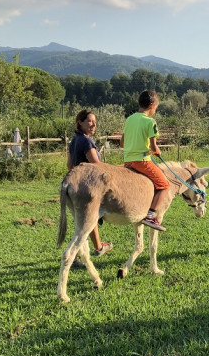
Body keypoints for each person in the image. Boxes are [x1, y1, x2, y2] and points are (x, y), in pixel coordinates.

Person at [67, 109, 113, 267]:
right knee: (84, 224)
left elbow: (69, 165)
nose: (94, 124)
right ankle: (72, 257)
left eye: (95, 122)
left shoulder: (74, 140)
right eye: (89, 121)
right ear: (79, 122)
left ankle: (98, 247)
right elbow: (96, 166)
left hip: (75, 186)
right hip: (88, 187)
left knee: (89, 219)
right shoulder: (87, 142)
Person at [121, 90, 170, 232]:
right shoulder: (150, 122)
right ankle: (150, 215)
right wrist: (157, 151)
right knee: (164, 185)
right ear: (153, 105)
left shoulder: (129, 119)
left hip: (127, 161)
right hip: (142, 160)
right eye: (157, 107)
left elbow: (122, 143)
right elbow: (154, 147)